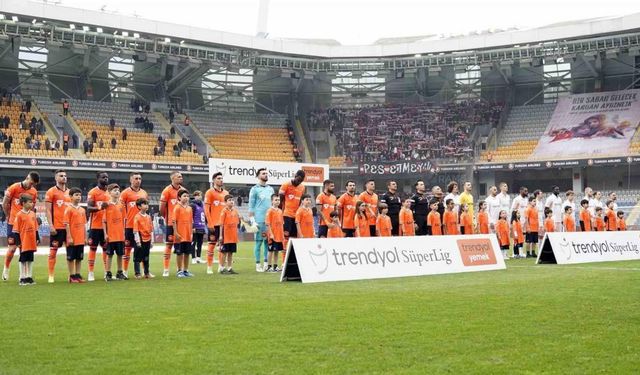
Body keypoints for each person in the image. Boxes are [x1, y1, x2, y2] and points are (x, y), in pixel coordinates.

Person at [2, 171, 40, 282]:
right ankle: (6, 268)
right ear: (27, 178)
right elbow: (5, 203)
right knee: (13, 248)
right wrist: (9, 215)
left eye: (33, 184)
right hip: (13, 222)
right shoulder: (14, 188)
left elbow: (32, 208)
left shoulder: (33, 192)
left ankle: (23, 276)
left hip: (26, 224)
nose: (31, 186)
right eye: (31, 183)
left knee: (24, 249)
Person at [119, 172, 148, 277]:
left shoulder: (144, 193)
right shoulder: (125, 193)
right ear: (131, 180)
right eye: (136, 178)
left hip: (141, 227)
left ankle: (144, 272)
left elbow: (145, 210)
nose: (138, 180)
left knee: (141, 250)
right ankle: (124, 272)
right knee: (127, 249)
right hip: (129, 226)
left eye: (140, 178)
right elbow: (120, 210)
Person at [44, 169, 71, 283]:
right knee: (53, 251)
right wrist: (51, 225)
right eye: (61, 176)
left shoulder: (70, 192)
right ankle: (51, 275)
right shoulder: (51, 192)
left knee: (70, 252)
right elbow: (48, 210)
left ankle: (72, 275)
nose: (64, 177)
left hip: (68, 228)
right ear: (56, 178)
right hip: (57, 227)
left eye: (65, 175)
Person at [248, 168, 275, 272]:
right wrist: (252, 220)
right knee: (259, 243)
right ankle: (258, 265)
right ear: (258, 176)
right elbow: (251, 206)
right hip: (259, 220)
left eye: (266, 173)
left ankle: (266, 264)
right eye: (263, 173)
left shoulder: (271, 189)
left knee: (267, 243)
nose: (266, 175)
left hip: (270, 221)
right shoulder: (254, 189)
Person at [86, 171, 110, 281]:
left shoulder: (110, 192)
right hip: (95, 226)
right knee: (93, 249)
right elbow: (89, 208)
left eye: (107, 177)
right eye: (103, 177)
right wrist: (100, 208)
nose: (105, 179)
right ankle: (91, 272)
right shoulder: (93, 192)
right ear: (98, 179)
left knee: (106, 250)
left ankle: (106, 272)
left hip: (107, 227)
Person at [160, 171, 184, 277]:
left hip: (182, 224)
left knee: (180, 246)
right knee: (169, 245)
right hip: (171, 223)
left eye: (181, 176)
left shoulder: (183, 190)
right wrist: (166, 217)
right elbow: (162, 207)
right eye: (179, 177)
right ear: (172, 178)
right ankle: (166, 269)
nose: (181, 178)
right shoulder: (167, 190)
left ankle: (180, 269)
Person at [279, 170, 306, 261]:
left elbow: (300, 202)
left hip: (296, 216)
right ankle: (283, 261)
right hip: (287, 214)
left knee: (294, 238)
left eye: (301, 180)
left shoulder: (302, 187)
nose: (299, 182)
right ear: (295, 176)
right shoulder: (286, 185)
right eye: (298, 179)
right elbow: (280, 200)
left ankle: (291, 259)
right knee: (286, 236)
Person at [204, 172, 228, 274]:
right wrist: (210, 223)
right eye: (218, 178)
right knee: (211, 245)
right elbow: (206, 209)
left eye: (222, 178)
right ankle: (209, 267)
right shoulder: (209, 192)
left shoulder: (226, 193)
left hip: (224, 225)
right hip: (214, 224)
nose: (221, 180)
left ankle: (220, 266)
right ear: (214, 180)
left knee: (222, 247)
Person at [103, 184, 127, 281]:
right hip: (111, 235)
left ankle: (119, 272)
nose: (117, 192)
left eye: (118, 190)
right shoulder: (107, 205)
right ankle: (108, 273)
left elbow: (124, 219)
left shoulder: (121, 205)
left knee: (120, 254)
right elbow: (104, 221)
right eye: (114, 190)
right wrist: (105, 233)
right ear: (109, 193)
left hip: (120, 234)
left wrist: (124, 231)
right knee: (109, 254)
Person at [14, 194, 39, 285]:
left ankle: (29, 276)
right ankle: (22, 277)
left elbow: (35, 228)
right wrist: (18, 241)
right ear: (23, 203)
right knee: (23, 259)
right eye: (30, 202)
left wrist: (37, 237)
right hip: (23, 241)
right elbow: (16, 230)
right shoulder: (19, 215)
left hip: (31, 241)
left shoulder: (33, 214)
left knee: (30, 259)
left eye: (32, 202)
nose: (32, 204)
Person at [64, 187, 87, 283]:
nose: (78, 197)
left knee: (79, 258)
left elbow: (84, 224)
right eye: (76, 195)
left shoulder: (82, 210)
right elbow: (66, 224)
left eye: (79, 195)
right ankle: (71, 276)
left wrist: (85, 237)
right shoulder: (68, 209)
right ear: (70, 197)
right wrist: (69, 237)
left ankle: (77, 274)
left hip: (80, 238)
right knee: (71, 258)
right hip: (72, 238)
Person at [173, 189, 194, 278]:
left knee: (187, 253)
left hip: (188, 234)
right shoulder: (177, 207)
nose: (186, 198)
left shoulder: (189, 208)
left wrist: (191, 232)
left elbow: (191, 221)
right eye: (184, 196)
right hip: (180, 235)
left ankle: (185, 270)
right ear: (179, 197)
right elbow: (174, 221)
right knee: (179, 253)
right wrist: (176, 233)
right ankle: (179, 270)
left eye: (187, 196)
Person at [133, 198, 154, 279]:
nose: (146, 206)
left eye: (147, 204)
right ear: (139, 207)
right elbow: (135, 230)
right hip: (140, 240)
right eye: (144, 204)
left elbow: (151, 229)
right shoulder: (137, 217)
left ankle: (146, 273)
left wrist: (152, 241)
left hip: (147, 240)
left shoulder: (149, 217)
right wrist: (138, 241)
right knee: (137, 257)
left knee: (146, 257)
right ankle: (137, 273)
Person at [219, 195, 240, 274]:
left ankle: (229, 267)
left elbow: (237, 223)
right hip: (226, 235)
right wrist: (221, 235)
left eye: (232, 200)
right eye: (229, 200)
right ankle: (222, 268)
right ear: (225, 202)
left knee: (231, 252)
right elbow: (221, 224)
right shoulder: (224, 211)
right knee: (224, 252)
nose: (231, 201)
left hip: (233, 235)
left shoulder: (235, 211)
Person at [265, 194, 284, 272]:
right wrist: (271, 234)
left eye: (278, 200)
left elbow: (282, 223)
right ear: (272, 201)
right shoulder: (270, 211)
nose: (277, 201)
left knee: (276, 251)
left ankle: (275, 266)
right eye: (275, 200)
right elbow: (267, 223)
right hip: (272, 235)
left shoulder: (280, 211)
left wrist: (282, 234)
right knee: (271, 251)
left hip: (279, 235)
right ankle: (269, 267)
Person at [190, 191, 206, 265]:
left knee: (200, 243)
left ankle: (198, 258)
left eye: (201, 195)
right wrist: (192, 226)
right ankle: (193, 258)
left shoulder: (202, 205)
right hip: (195, 227)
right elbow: (191, 216)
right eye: (199, 195)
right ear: (195, 196)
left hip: (201, 227)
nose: (200, 197)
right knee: (193, 243)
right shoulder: (192, 205)